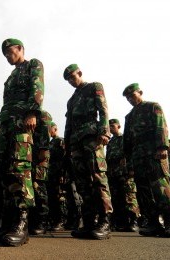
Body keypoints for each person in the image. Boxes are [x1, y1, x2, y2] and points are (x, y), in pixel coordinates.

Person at [0, 38, 44, 247]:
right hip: (7, 127)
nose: (8, 57)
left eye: (10, 52)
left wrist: (32, 113)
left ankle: (21, 224)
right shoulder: (10, 77)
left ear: (20, 49)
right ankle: (6, 223)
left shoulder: (32, 65)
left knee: (20, 169)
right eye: (5, 54)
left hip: (21, 125)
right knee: (4, 173)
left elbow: (37, 89)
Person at [63, 64, 113, 240]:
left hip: (92, 137)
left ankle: (105, 221)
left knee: (98, 177)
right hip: (76, 142)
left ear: (80, 73)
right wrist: (67, 145)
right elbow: (68, 124)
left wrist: (104, 131)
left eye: (72, 77)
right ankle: (90, 221)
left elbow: (103, 109)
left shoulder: (94, 87)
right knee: (82, 182)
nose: (71, 80)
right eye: (68, 79)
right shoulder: (71, 100)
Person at [122, 83, 170, 238]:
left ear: (140, 92)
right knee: (143, 191)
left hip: (154, 154)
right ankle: (153, 222)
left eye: (132, 95)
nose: (130, 99)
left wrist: (162, 147)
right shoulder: (129, 116)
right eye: (127, 98)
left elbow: (161, 127)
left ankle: (169, 222)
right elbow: (127, 139)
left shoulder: (153, 107)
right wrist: (127, 159)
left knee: (161, 187)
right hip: (138, 157)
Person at [106, 118, 140, 232]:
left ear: (118, 126)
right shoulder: (110, 142)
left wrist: (131, 169)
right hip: (113, 173)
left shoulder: (125, 138)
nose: (110, 128)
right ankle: (122, 222)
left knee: (129, 197)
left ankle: (133, 221)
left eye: (112, 126)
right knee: (116, 198)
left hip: (125, 172)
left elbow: (131, 154)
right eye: (109, 126)